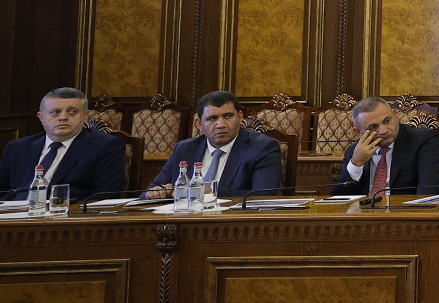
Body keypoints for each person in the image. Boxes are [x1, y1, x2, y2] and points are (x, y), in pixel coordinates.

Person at [145, 91, 282, 198]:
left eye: (228, 116)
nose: (221, 125)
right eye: (212, 118)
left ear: (240, 117)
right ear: (199, 124)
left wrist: (209, 192)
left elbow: (263, 196)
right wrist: (156, 193)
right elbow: (146, 194)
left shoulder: (262, 148)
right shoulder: (184, 149)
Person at [1, 87, 127, 202]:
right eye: (55, 112)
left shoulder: (105, 146)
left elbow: (105, 196)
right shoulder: (17, 148)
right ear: (41, 117)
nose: (63, 117)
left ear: (85, 115)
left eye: (72, 112)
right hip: (13, 214)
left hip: (67, 215)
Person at [330, 96, 439, 197]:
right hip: (364, 213)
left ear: (394, 115)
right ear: (358, 132)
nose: (383, 131)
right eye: (373, 127)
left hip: (405, 212)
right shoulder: (354, 152)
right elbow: (339, 200)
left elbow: (429, 191)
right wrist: (355, 164)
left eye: (386, 121)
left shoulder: (423, 140)